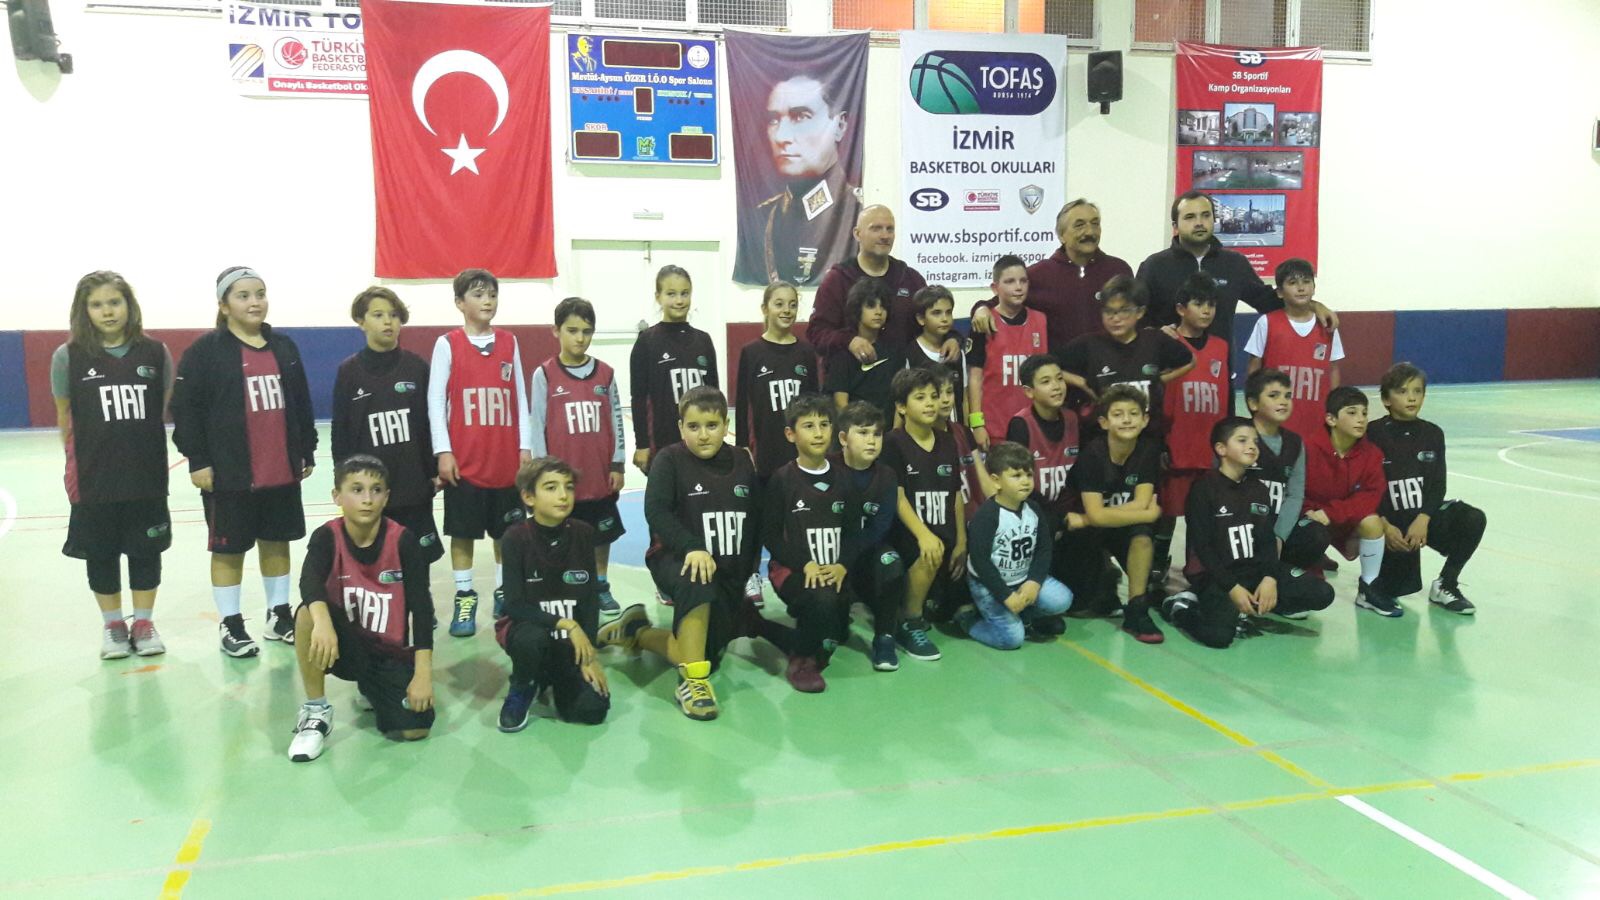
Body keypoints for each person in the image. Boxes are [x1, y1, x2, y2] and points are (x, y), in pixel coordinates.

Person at [172, 266, 316, 657]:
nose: (255, 302)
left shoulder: (284, 347)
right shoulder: (205, 352)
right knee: (228, 550)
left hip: (280, 469)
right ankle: (231, 623)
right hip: (229, 474)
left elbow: (301, 402)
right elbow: (185, 409)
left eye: (260, 294)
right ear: (223, 305)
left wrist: (306, 449)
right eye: (243, 295)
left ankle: (278, 614)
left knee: (277, 542)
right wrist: (198, 459)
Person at [598, 388, 764, 721]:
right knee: (697, 585)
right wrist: (692, 547)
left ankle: (636, 632)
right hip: (677, 560)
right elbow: (656, 511)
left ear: (726, 425)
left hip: (728, 570)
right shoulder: (669, 460)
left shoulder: (743, 461)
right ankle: (693, 684)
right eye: (693, 426)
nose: (703, 434)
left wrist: (748, 570)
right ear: (680, 427)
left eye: (712, 425)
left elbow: (755, 518)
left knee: (703, 653)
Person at [53, 271, 174, 659]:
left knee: (145, 552)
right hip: (95, 478)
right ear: (84, 310)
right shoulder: (68, 357)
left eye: (114, 302)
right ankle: (113, 626)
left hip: (146, 476)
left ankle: (143, 623)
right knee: (101, 554)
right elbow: (64, 418)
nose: (107, 311)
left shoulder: (155, 353)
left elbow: (161, 408)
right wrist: (77, 466)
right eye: (97, 304)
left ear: (129, 306)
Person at [287, 455, 434, 762]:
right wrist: (323, 623)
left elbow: (422, 610)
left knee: (415, 729)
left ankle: (371, 687)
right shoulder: (327, 536)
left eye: (376, 490)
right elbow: (309, 582)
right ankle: (316, 711)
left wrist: (422, 675)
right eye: (356, 489)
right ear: (337, 496)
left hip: (386, 653)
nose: (367, 499)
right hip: (341, 644)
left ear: (386, 497)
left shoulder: (403, 540)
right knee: (306, 614)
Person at [1162, 418, 1334, 648]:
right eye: (1242, 440)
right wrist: (1231, 588)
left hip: (1254, 570)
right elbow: (1203, 547)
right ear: (1221, 449)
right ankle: (1183, 607)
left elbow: (1266, 541)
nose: (1252, 446)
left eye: (1255, 441)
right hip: (1217, 576)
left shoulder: (1258, 489)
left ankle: (1257, 605)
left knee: (1323, 593)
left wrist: (1270, 578)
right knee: (1219, 637)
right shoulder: (1203, 489)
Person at [427, 269, 532, 636]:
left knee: (507, 534)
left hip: (504, 460)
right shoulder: (447, 344)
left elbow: (520, 397)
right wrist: (443, 451)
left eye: (492, 294)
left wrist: (525, 446)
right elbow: (435, 401)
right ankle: (464, 594)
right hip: (465, 461)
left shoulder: (509, 341)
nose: (487, 300)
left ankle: (504, 590)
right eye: (478, 294)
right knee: (463, 534)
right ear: (460, 303)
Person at [494, 457, 610, 732]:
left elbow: (589, 600)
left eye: (568, 487)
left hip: (569, 645)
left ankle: (553, 678)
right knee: (530, 638)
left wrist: (590, 657)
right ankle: (523, 685)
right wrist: (566, 624)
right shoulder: (515, 538)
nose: (563, 495)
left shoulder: (583, 534)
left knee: (592, 710)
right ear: (528, 497)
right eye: (551, 487)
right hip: (531, 636)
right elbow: (515, 605)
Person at [530, 296, 628, 617]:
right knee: (560, 535)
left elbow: (616, 420)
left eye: (587, 331)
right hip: (561, 479)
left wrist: (617, 463)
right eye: (572, 330)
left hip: (599, 475)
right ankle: (563, 587)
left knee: (601, 535)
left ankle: (600, 584)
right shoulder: (544, 375)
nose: (580, 338)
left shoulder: (606, 374)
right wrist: (541, 472)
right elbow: (537, 424)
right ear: (556, 331)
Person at [1138, 190, 1336, 347]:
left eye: (1205, 215)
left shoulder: (1234, 264)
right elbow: (1136, 316)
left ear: (1214, 219)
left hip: (1219, 371)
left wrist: (1313, 306)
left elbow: (1268, 301)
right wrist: (1154, 334)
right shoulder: (1154, 266)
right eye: (1190, 217)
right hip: (1167, 371)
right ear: (1175, 226)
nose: (1199, 223)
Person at [331, 287, 441, 569]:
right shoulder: (349, 372)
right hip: (370, 489)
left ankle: (420, 600)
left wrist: (434, 469)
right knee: (376, 563)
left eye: (393, 315)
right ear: (361, 321)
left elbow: (431, 424)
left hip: (413, 484)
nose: (388, 322)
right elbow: (340, 430)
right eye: (378, 315)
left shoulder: (417, 367)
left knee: (417, 563)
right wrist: (342, 477)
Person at [1367, 363, 1485, 614]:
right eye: (1402, 391)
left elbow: (1438, 484)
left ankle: (1446, 584)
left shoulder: (1433, 433)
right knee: (1394, 589)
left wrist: (1423, 518)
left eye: (1417, 391)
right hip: (1389, 523)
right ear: (1386, 399)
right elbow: (1365, 486)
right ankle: (1369, 585)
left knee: (1473, 518)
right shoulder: (1372, 433)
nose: (1411, 398)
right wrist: (1384, 525)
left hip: (1420, 519)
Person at [761, 394, 852, 692]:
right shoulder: (782, 479)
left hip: (834, 569)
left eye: (824, 424)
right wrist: (805, 564)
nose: (818, 433)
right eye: (809, 426)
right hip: (794, 570)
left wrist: (843, 564)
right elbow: (771, 535)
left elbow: (854, 532)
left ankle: (761, 624)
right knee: (821, 608)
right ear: (791, 434)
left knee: (836, 635)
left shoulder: (844, 478)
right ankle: (801, 660)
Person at [1060, 385, 1164, 643]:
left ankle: (1137, 609)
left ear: (1145, 420)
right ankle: (1103, 580)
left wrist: (1093, 516)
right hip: (1080, 534)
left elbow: (1141, 503)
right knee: (1079, 604)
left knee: (1142, 535)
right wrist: (1091, 518)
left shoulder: (1148, 449)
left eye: (1133, 414)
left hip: (1102, 523)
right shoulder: (1092, 455)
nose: (1127, 420)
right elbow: (1130, 512)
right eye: (1118, 414)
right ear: (1104, 422)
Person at [742, 71, 862, 286]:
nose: (781, 136)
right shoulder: (760, 218)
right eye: (773, 120)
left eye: (800, 117)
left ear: (840, 126)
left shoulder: (856, 214)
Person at [969, 199, 1133, 353]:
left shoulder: (1118, 270)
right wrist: (981, 309)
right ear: (1061, 235)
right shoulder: (1039, 274)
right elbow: (999, 302)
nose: (1090, 231)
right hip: (1057, 371)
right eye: (1079, 225)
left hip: (1112, 368)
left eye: (1095, 224)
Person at [954, 441, 1074, 649]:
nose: (1025, 481)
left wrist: (1034, 581)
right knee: (1011, 639)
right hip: (990, 585)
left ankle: (1027, 616)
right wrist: (1006, 596)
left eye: (1029, 475)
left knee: (1062, 599)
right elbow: (981, 563)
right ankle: (969, 619)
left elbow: (1044, 549)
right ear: (996, 481)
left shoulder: (1034, 509)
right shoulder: (987, 516)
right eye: (1016, 476)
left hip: (1022, 578)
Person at [881, 366, 966, 662]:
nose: (931, 403)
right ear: (901, 406)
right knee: (929, 552)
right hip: (910, 535)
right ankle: (910, 621)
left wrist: (962, 540)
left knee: (959, 593)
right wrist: (924, 535)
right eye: (920, 398)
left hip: (944, 532)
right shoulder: (892, 443)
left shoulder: (948, 441)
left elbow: (956, 494)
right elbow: (898, 497)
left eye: (933, 396)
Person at [808, 206, 959, 364]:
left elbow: (933, 319)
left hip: (905, 374)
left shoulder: (910, 278)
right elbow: (816, 333)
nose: (885, 236)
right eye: (876, 228)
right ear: (857, 234)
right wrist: (849, 341)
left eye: (890, 229)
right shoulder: (838, 279)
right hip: (852, 374)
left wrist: (951, 338)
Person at [1057, 274, 1194, 444]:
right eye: (1109, 311)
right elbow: (1046, 367)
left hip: (1147, 438)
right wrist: (1081, 382)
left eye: (1124, 310)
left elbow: (1190, 360)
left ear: (1140, 312)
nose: (1116, 318)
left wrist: (1159, 380)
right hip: (1100, 440)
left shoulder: (1155, 340)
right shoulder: (1088, 344)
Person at [1158, 272, 1231, 590]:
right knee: (1166, 513)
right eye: (1199, 303)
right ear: (1180, 308)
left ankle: (1197, 567)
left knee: (1203, 514)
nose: (1206, 310)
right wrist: (1159, 441)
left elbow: (1226, 397)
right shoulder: (1166, 342)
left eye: (1211, 304)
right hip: (1175, 445)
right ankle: (1157, 564)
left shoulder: (1221, 347)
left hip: (1209, 448)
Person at [1303, 386, 1399, 616]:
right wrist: (1309, 512)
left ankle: (1368, 587)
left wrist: (1331, 513)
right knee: (1313, 588)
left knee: (1373, 523)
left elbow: (1371, 496)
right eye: (1352, 412)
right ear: (1331, 419)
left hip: (1341, 519)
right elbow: (1295, 492)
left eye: (1364, 413)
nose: (1361, 419)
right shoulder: (1307, 448)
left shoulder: (1372, 454)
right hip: (1311, 520)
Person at [832, 400, 905, 672]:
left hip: (866, 556)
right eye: (862, 433)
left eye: (876, 434)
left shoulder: (886, 476)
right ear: (843, 438)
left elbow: (879, 528)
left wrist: (848, 560)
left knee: (891, 563)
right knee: (833, 633)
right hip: (831, 557)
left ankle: (885, 637)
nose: (871, 440)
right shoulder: (828, 469)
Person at [1244, 369, 1332, 586]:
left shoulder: (1295, 442)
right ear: (1253, 403)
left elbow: (1295, 495)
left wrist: (1279, 536)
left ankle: (1281, 571)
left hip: (1277, 527)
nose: (1283, 401)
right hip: (1244, 528)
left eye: (1287, 395)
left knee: (1317, 534)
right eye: (1273, 396)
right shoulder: (1240, 436)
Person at [629, 265, 719, 474]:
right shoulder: (647, 342)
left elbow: (715, 395)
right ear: (658, 297)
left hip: (700, 439)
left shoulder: (703, 340)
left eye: (684, 293)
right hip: (663, 441)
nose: (679, 300)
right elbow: (638, 398)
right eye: (671, 294)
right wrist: (642, 444)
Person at [1246, 258, 1344, 441]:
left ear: (1314, 287)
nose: (1301, 288)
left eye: (1306, 282)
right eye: (1292, 283)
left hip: (1316, 418)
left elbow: (1333, 369)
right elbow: (1254, 368)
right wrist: (1255, 408)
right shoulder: (1266, 322)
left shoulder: (1327, 325)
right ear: (1279, 292)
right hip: (1276, 418)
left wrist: (1334, 407)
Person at [735, 280, 819, 482]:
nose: (787, 310)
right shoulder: (751, 352)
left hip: (800, 449)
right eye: (779, 304)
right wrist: (742, 446)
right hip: (766, 451)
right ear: (765, 309)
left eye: (792, 305)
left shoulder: (806, 352)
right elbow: (742, 405)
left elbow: (815, 403)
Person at [966, 254, 1048, 451]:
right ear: (995, 288)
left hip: (1034, 424)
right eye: (1010, 281)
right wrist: (976, 424)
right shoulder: (983, 322)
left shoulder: (1041, 320)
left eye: (1023, 281)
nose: (1018, 287)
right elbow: (974, 378)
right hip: (995, 426)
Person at [1003, 355, 1079, 532]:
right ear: (1029, 391)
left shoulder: (1073, 419)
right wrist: (1056, 517)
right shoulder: (1020, 424)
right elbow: (1016, 482)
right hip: (1034, 512)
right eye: (1046, 381)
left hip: (1069, 510)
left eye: (1059, 379)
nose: (1056, 386)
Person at [823, 277, 900, 420]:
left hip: (888, 429)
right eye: (871, 306)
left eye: (883, 306)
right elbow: (840, 404)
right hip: (856, 427)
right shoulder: (842, 351)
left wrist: (896, 431)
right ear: (857, 310)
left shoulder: (894, 349)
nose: (878, 312)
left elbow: (899, 400)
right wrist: (859, 430)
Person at [906, 285, 965, 418]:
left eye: (948, 312)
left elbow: (964, 397)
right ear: (921, 319)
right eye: (936, 313)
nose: (944, 318)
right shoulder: (909, 354)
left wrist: (966, 428)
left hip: (954, 426)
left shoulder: (957, 351)